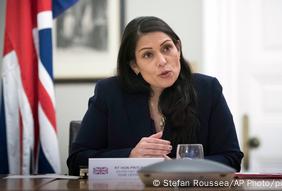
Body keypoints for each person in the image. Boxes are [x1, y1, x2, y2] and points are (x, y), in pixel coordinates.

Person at [67, 16, 243, 175]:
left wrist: (179, 167)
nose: (162, 61)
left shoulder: (207, 89)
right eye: (148, 55)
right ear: (134, 65)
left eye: (167, 48)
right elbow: (77, 160)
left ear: (178, 48)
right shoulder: (109, 92)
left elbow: (232, 159)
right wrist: (130, 156)